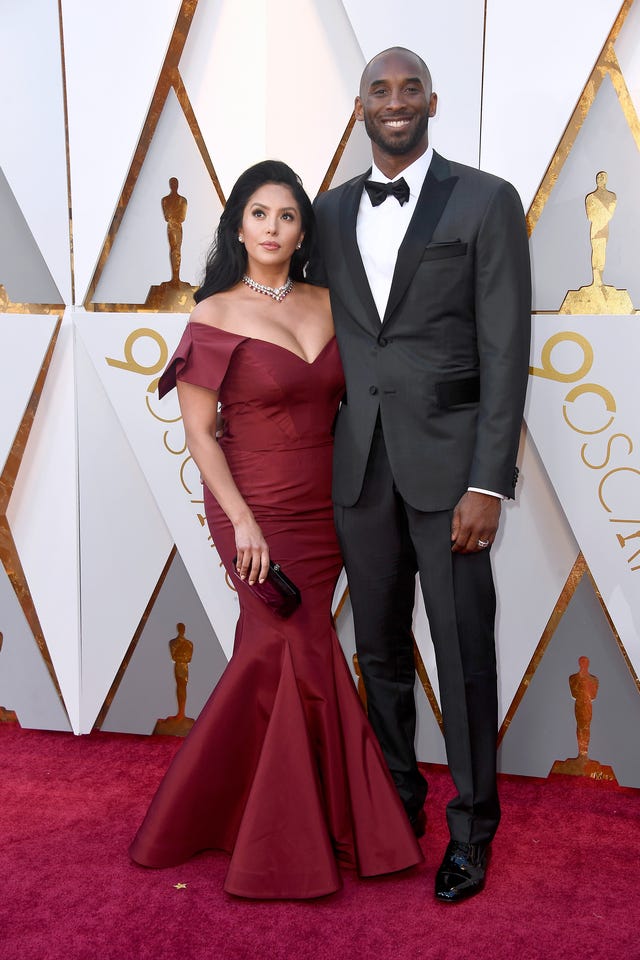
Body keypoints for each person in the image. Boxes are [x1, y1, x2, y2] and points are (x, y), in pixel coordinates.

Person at [129, 160, 422, 899]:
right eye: (259, 214)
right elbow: (200, 435)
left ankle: (267, 813)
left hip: (329, 509)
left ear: (302, 231)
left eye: (287, 216)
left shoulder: (330, 302)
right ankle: (289, 835)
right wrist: (243, 525)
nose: (272, 228)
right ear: (237, 225)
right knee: (284, 647)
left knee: (307, 647)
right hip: (252, 507)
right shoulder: (214, 313)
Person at [310, 48, 531, 903]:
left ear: (432, 101)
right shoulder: (327, 213)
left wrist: (490, 483)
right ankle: (395, 802)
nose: (395, 103)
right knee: (379, 652)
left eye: (410, 89)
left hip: (453, 478)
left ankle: (472, 830)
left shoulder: (485, 200)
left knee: (463, 652)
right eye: (379, 90)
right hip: (359, 467)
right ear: (360, 106)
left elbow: (506, 351)